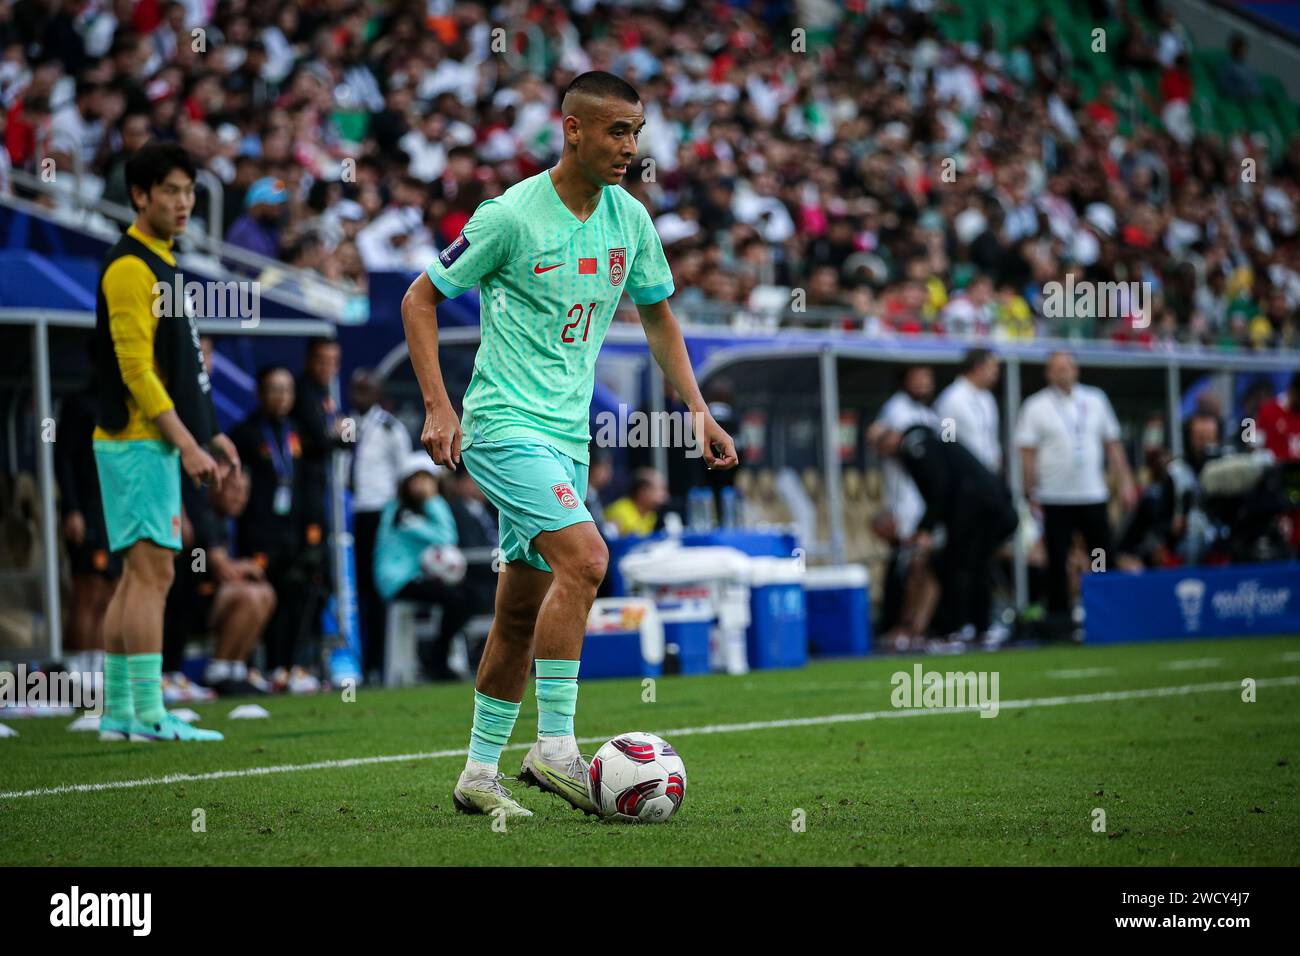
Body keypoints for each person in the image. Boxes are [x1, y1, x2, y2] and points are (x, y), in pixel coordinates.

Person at [402, 71, 738, 817]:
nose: (630, 147)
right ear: (572, 129)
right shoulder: (510, 216)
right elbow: (419, 298)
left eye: (637, 132)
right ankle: (555, 748)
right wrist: (438, 407)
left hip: (566, 436)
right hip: (500, 424)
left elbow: (659, 320)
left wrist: (700, 412)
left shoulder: (631, 220)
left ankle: (476, 775)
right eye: (617, 131)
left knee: (520, 609)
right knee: (587, 559)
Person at [91, 141, 238, 742]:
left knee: (137, 577)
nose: (184, 202)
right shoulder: (131, 268)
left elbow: (181, 368)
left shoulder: (162, 263)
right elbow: (137, 373)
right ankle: (149, 712)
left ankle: (120, 713)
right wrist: (187, 445)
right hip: (136, 442)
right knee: (153, 576)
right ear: (139, 196)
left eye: (189, 191)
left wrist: (212, 434)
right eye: (171, 191)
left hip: (142, 444)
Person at [1016, 351, 1136, 640]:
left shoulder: (1095, 400)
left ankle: (1107, 614)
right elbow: (1027, 452)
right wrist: (1029, 487)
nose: (1063, 373)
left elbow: (1112, 445)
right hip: (1054, 496)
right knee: (1057, 559)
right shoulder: (1036, 405)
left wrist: (1126, 481)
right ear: (1048, 373)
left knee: (1101, 553)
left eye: (1067, 367)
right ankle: (1060, 621)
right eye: (1056, 368)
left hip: (1092, 492)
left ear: (1076, 369)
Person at [875, 423, 1018, 640]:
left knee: (963, 567)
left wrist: (925, 529)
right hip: (991, 506)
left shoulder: (915, 448)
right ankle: (978, 627)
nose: (881, 450)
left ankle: (966, 626)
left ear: (893, 437)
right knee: (973, 565)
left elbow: (939, 488)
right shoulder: (929, 441)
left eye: (881, 441)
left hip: (979, 511)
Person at [230, 366, 324, 693]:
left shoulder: (297, 432)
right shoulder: (245, 435)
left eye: (287, 390)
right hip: (259, 534)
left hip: (293, 533)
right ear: (260, 393)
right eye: (274, 390)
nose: (281, 397)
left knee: (297, 597)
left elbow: (309, 484)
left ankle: (288, 667)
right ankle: (256, 668)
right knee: (265, 600)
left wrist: (313, 533)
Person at [373, 454, 473, 681]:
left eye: (426, 479)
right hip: (398, 580)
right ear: (405, 483)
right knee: (455, 600)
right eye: (415, 479)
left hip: (417, 576)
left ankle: (437, 659)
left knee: (464, 598)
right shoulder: (399, 512)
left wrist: (431, 501)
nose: (421, 485)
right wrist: (432, 500)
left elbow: (447, 538)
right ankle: (436, 662)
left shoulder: (423, 510)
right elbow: (446, 537)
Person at [54, 361, 119, 679]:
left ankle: (97, 665)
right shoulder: (79, 405)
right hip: (89, 508)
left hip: (117, 512)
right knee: (88, 587)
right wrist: (72, 509)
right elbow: (63, 458)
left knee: (110, 587)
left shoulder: (125, 406)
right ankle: (75, 668)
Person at [347, 368, 413, 679]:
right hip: (351, 514)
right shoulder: (345, 425)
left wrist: (398, 515)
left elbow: (404, 474)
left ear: (377, 393)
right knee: (357, 589)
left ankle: (378, 664)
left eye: (366, 389)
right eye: (356, 389)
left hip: (380, 513)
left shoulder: (389, 428)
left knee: (377, 588)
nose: (360, 395)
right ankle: (360, 662)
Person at [934, 348, 1002, 474]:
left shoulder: (987, 398)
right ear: (978, 368)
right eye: (992, 367)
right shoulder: (951, 398)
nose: (996, 372)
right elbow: (947, 440)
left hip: (989, 474)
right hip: (965, 476)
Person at [605, 468, 667, 537]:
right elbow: (609, 542)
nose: (665, 495)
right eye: (660, 489)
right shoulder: (619, 513)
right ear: (643, 491)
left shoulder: (651, 514)